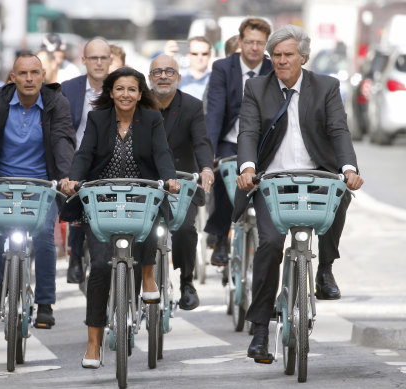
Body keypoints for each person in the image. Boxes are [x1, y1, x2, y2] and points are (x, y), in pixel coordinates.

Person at [234, 24, 364, 361]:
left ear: (302, 57)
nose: (280, 60)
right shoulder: (256, 87)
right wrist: (248, 166)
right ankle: (261, 330)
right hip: (271, 181)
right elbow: (247, 129)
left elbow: (338, 131)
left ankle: (324, 269)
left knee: (342, 196)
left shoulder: (326, 86)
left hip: (318, 174)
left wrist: (348, 169)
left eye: (288, 55)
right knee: (271, 245)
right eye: (275, 55)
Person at [62, 66, 180, 368]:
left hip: (142, 196)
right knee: (100, 266)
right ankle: (93, 343)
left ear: (140, 94)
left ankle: (147, 274)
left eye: (131, 89)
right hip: (102, 199)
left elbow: (162, 153)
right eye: (119, 89)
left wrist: (168, 179)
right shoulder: (97, 118)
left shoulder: (151, 119)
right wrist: (74, 179)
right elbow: (85, 153)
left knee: (152, 228)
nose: (125, 94)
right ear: (111, 93)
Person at [0, 53, 76, 329]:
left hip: (41, 185)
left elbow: (63, 140)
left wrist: (66, 175)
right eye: (23, 73)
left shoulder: (57, 103)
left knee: (45, 235)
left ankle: (45, 303)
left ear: (43, 76)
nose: (29, 79)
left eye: (35, 73)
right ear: (12, 77)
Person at [204, 17, 273, 267]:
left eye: (260, 43)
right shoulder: (223, 67)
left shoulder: (273, 68)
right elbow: (214, 112)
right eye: (249, 42)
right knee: (224, 179)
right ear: (240, 42)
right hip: (229, 140)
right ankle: (221, 237)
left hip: (263, 144)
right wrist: (208, 153)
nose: (254, 47)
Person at [148, 54, 215, 310]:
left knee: (186, 229)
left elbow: (201, 142)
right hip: (147, 184)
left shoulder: (192, 106)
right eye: (157, 72)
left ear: (178, 77)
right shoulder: (138, 105)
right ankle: (129, 283)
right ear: (150, 78)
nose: (163, 76)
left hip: (182, 185)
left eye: (169, 71)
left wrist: (207, 168)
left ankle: (187, 281)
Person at [60, 37, 112, 284]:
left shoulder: (119, 88)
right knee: (74, 188)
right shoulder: (69, 89)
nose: (99, 63)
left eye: (104, 57)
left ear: (110, 60)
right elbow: (60, 131)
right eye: (94, 58)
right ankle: (76, 254)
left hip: (112, 161)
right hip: (76, 159)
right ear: (84, 61)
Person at [179, 36, 212, 100]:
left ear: (209, 55)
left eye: (204, 54)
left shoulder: (217, 78)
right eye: (195, 54)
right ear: (188, 55)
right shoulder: (177, 77)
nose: (200, 58)